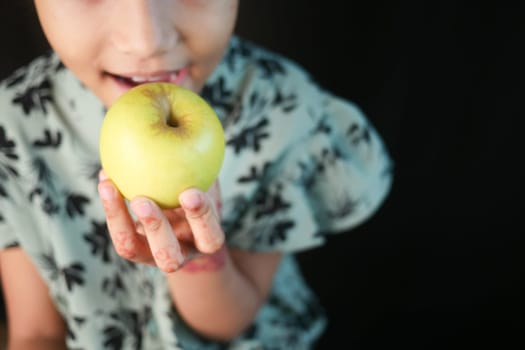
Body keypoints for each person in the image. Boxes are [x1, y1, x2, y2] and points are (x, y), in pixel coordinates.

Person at [0, 1, 393, 349]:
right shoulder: (13, 126)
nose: (146, 40)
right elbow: (36, 332)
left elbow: (228, 325)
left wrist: (198, 257)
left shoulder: (280, 108)